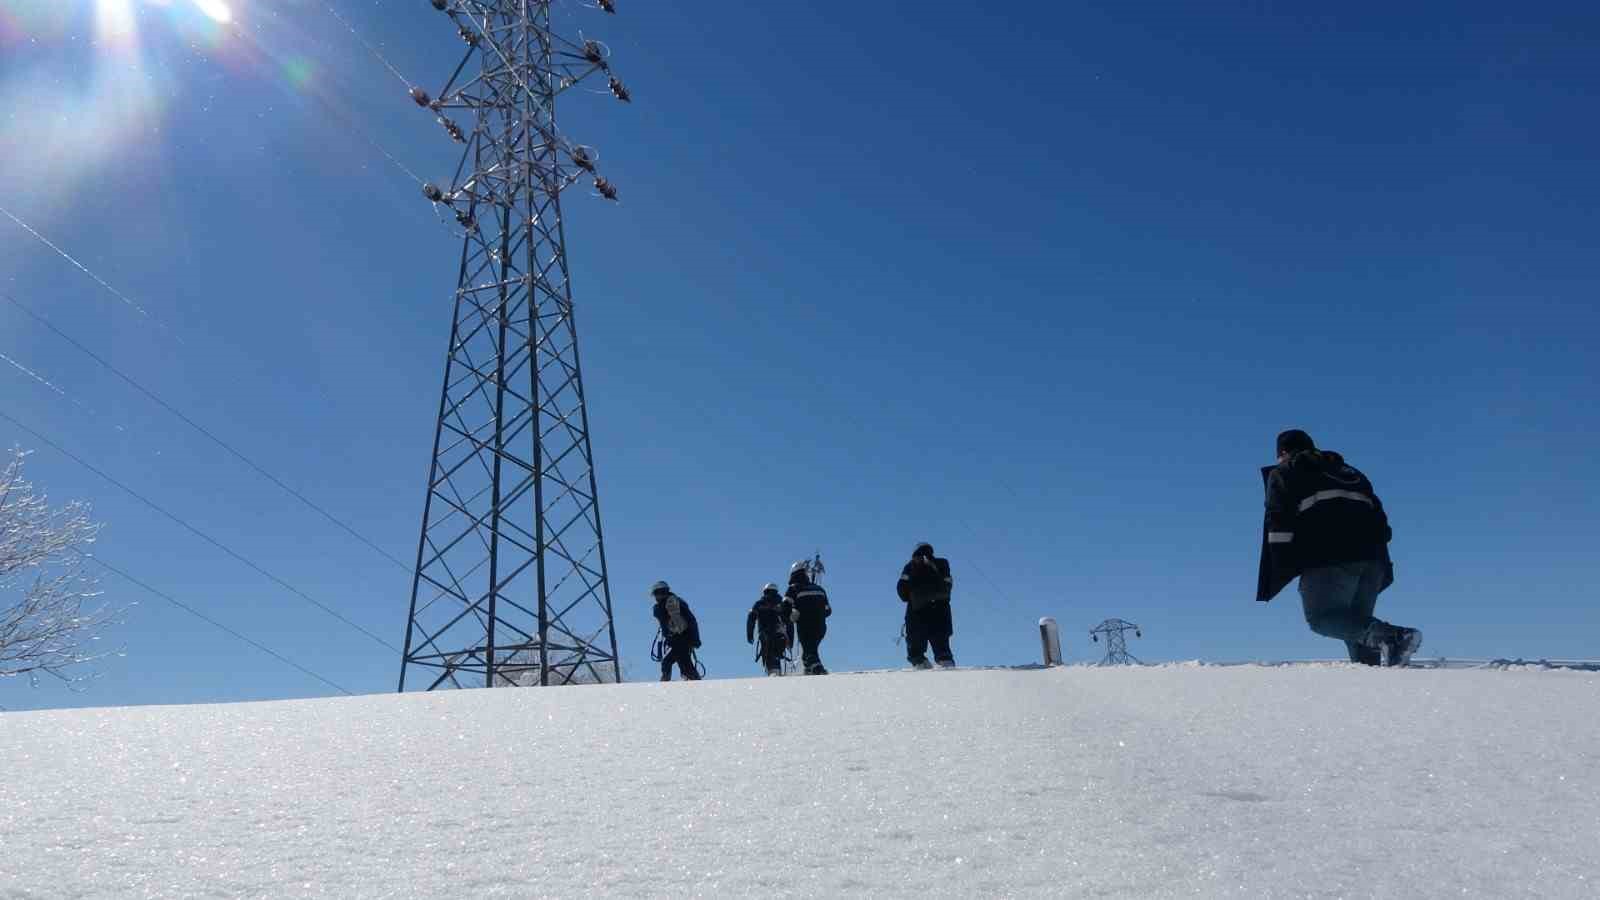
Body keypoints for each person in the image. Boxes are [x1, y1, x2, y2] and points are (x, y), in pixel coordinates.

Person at [1257, 429, 1423, 667]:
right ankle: (1374, 677)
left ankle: (1394, 637)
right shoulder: (1351, 473)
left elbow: (1279, 520)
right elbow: (1383, 524)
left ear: (1282, 452)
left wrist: (1281, 564)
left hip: (1329, 559)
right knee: (1357, 625)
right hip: (1374, 560)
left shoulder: (1286, 472)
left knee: (1322, 618)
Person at [897, 542, 954, 669]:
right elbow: (948, 586)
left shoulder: (910, 566)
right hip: (940, 611)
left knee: (916, 653)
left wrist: (913, 594)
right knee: (942, 649)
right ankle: (949, 670)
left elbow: (902, 592)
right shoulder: (942, 563)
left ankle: (922, 671)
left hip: (917, 613)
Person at [784, 562, 832, 675]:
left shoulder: (793, 588)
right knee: (810, 650)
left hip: (805, 626)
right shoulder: (820, 589)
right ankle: (809, 670)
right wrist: (817, 614)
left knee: (809, 650)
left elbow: (784, 607)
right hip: (821, 627)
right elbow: (828, 610)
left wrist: (791, 616)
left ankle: (817, 669)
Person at [650, 580, 702, 681]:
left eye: (657, 594)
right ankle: (669, 683)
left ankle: (695, 686)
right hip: (682, 640)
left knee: (679, 665)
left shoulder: (666, 605)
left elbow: (688, 621)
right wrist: (695, 639)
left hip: (680, 640)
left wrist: (694, 639)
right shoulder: (676, 602)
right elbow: (692, 621)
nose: (656, 597)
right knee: (673, 663)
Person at [746, 583, 793, 676]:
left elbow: (751, 618)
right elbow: (789, 621)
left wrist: (749, 634)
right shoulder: (782, 604)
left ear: (764, 591)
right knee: (777, 653)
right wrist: (790, 639)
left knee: (768, 654)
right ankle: (777, 671)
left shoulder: (759, 603)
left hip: (765, 634)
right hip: (780, 634)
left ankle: (773, 673)